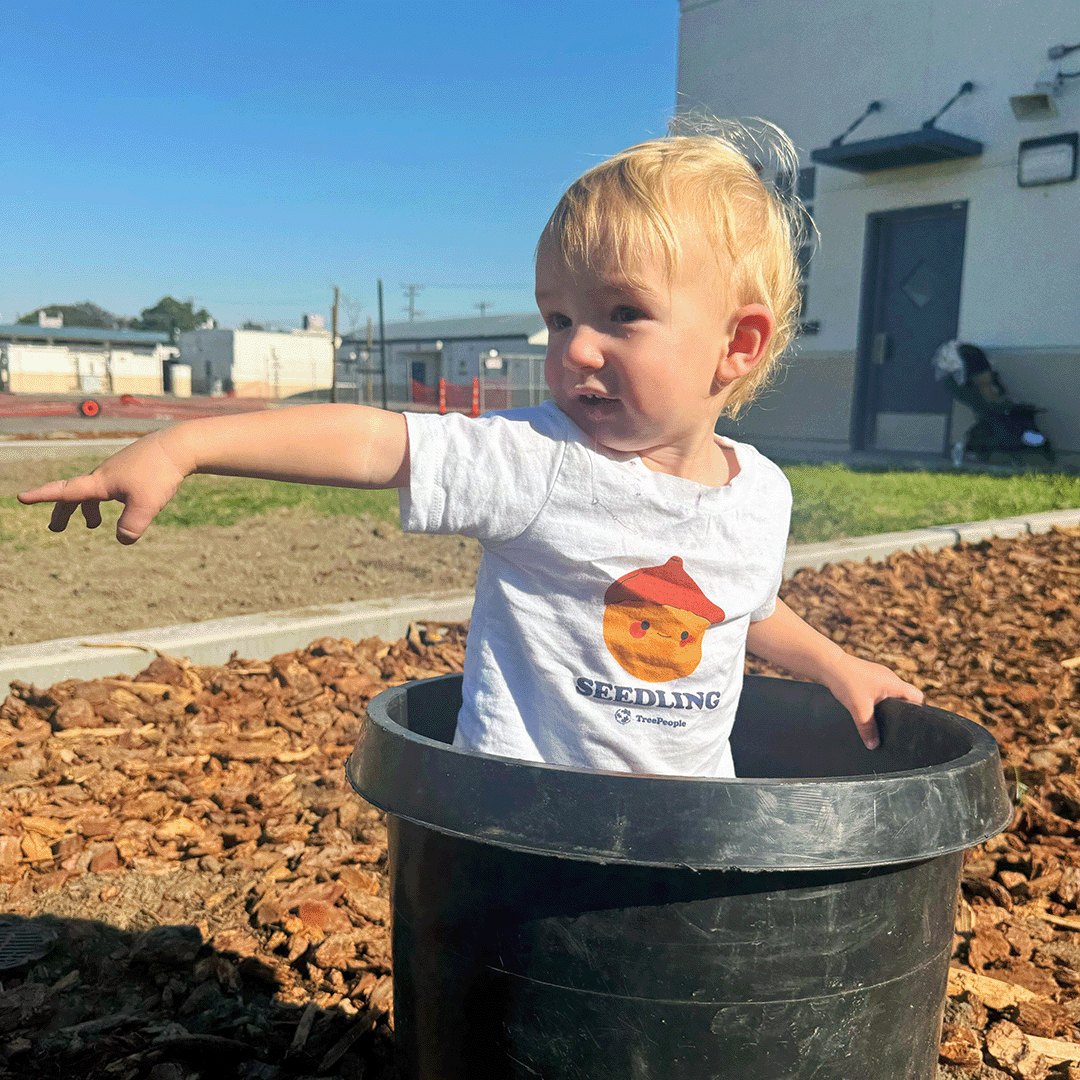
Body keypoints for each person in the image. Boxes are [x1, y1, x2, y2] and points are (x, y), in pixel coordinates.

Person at [19, 121, 922, 778]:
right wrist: (187, 446)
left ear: (738, 346)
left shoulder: (759, 494)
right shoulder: (540, 461)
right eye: (559, 317)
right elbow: (376, 444)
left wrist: (840, 664)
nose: (574, 348)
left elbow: (742, 608)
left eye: (622, 314)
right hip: (523, 820)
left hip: (681, 828)